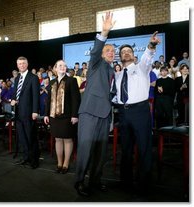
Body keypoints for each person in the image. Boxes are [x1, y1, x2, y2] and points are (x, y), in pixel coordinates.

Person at [113, 31, 161, 194]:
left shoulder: (142, 67)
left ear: (134, 56)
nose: (126, 53)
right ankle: (125, 182)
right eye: (123, 52)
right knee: (125, 150)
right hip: (124, 114)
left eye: (129, 51)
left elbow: (148, 57)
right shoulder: (118, 75)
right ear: (120, 57)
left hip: (140, 112)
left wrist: (151, 45)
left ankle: (144, 185)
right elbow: (118, 95)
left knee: (144, 148)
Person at [74, 11, 116, 196]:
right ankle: (79, 182)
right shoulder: (95, 64)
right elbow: (96, 49)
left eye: (113, 51)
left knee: (101, 152)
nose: (111, 53)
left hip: (105, 115)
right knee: (85, 150)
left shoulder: (112, 71)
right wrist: (104, 33)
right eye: (108, 50)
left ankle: (95, 181)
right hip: (90, 113)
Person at [44, 60, 80, 174]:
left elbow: (76, 99)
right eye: (60, 65)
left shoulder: (72, 80)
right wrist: (46, 114)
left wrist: (75, 115)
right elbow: (48, 100)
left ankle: (66, 163)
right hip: (54, 116)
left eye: (64, 66)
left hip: (67, 116)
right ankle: (59, 163)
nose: (63, 67)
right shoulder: (52, 82)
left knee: (67, 139)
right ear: (55, 68)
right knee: (58, 139)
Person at [11, 56, 40, 169]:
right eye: (19, 64)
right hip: (18, 112)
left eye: (23, 63)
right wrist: (13, 99)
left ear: (27, 64)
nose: (21, 65)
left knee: (31, 137)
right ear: (17, 65)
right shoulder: (17, 78)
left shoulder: (33, 78)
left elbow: (36, 96)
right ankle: (25, 157)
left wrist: (35, 111)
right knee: (22, 137)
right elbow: (16, 93)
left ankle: (34, 160)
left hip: (29, 113)